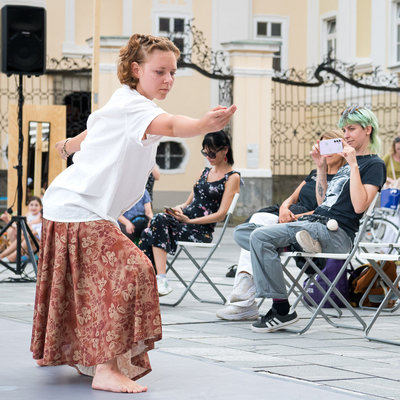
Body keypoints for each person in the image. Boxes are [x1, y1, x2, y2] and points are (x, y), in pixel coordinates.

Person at [30, 33, 236, 394]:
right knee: (134, 269)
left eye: (173, 72)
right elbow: (171, 126)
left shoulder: (122, 103)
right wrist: (204, 126)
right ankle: (106, 368)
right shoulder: (135, 108)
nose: (169, 80)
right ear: (136, 69)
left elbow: (91, 132)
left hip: (76, 208)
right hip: (78, 209)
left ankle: (91, 357)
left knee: (92, 284)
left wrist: (66, 146)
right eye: (161, 72)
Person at [234, 106, 386, 333]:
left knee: (260, 238)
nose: (346, 135)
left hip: (337, 233)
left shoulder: (374, 164)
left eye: (352, 129)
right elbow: (323, 201)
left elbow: (359, 206)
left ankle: (281, 309)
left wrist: (354, 165)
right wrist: (320, 168)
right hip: (316, 222)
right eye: (344, 129)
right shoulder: (344, 165)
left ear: (368, 130)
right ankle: (294, 243)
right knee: (248, 232)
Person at [216, 129, 346, 321]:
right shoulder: (314, 173)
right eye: (324, 145)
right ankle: (244, 292)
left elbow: (326, 208)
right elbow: (291, 198)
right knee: (252, 226)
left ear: (343, 147)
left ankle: (244, 297)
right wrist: (285, 209)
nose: (329, 150)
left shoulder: (342, 178)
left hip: (307, 224)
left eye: (334, 144)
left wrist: (295, 216)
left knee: (259, 230)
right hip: (287, 217)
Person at [139, 130, 241, 296]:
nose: (208, 156)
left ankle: (153, 281)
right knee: (151, 226)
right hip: (184, 222)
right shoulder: (204, 172)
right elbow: (187, 203)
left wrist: (190, 221)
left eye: (212, 153)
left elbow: (222, 214)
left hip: (201, 230)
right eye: (205, 152)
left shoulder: (232, 177)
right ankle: (152, 281)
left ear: (225, 150)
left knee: (153, 227)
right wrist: (177, 209)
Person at [0, 196, 42, 262]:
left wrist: (34, 222)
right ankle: (4, 255)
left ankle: (12, 257)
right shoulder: (28, 216)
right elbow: (22, 229)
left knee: (29, 235)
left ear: (41, 207)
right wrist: (7, 221)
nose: (33, 207)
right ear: (28, 206)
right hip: (28, 244)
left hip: (38, 245)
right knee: (14, 231)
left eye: (36, 205)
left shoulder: (42, 218)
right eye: (31, 205)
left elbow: (34, 232)